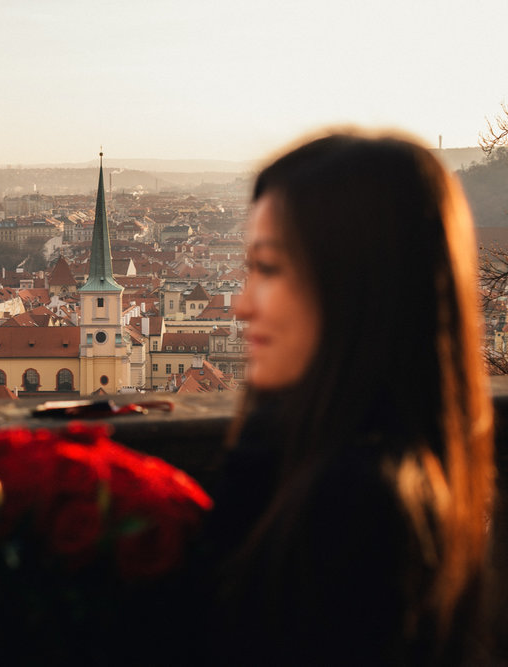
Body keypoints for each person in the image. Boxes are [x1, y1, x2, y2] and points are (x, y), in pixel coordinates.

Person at [194, 133, 495, 665]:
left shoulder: (349, 504)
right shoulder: (385, 468)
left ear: (354, 286)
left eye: (266, 269)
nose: (240, 305)